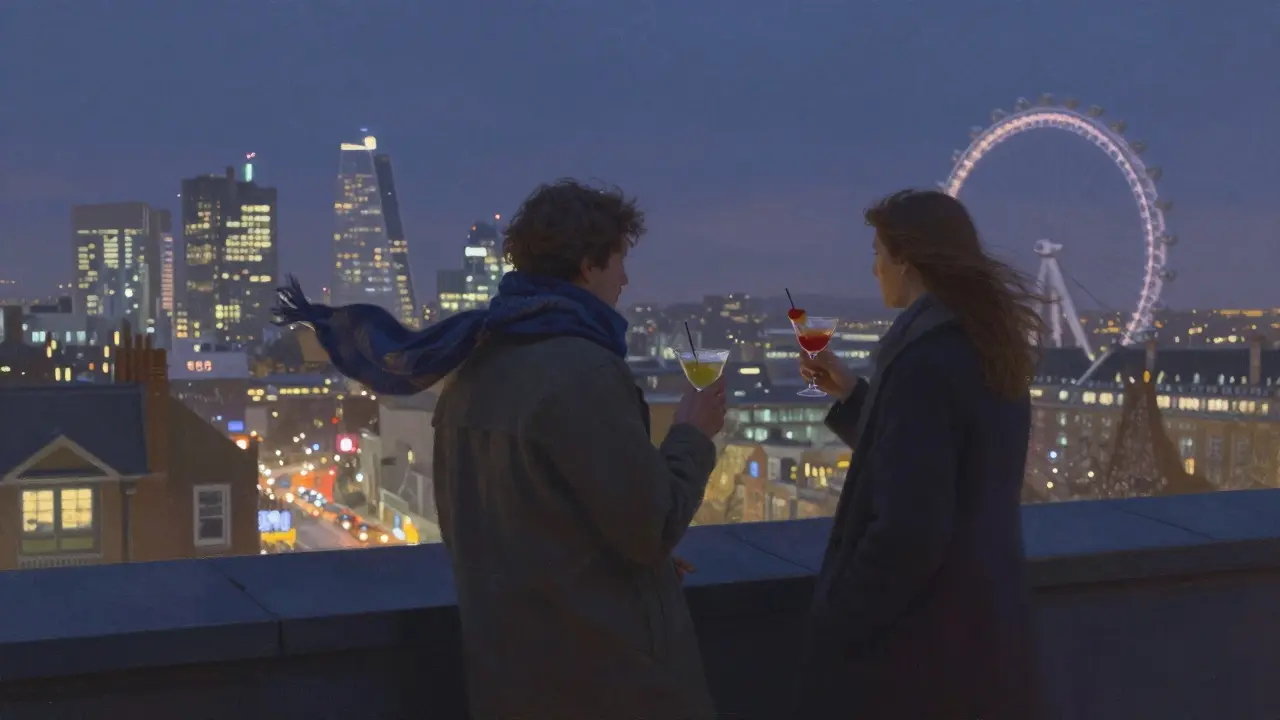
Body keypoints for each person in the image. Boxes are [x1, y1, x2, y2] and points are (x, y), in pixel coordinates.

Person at [274, 179, 726, 720]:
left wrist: (613, 558)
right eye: (619, 260)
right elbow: (651, 526)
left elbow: (518, 525)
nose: (625, 278)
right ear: (588, 265)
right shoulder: (583, 371)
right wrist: (692, 435)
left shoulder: (475, 363)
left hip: (509, 677)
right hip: (607, 683)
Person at [793, 189, 1042, 719]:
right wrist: (856, 395)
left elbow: (910, 528)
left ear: (904, 260)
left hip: (923, 653)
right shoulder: (987, 343)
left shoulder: (922, 361)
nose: (874, 269)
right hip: (985, 633)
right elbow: (943, 463)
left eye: (878, 254)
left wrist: (838, 618)